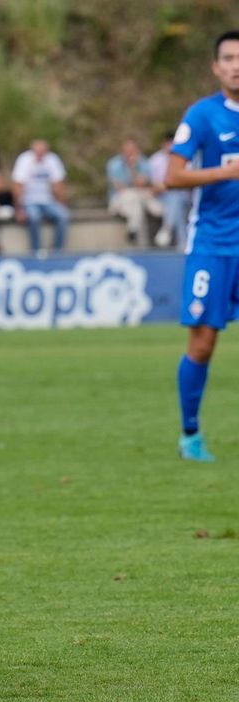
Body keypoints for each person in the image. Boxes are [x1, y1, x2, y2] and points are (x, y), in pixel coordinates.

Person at [167, 29, 239, 462]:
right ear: (216, 67)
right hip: (214, 245)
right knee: (203, 344)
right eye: (228, 57)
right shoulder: (202, 115)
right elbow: (172, 176)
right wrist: (225, 172)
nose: (236, 65)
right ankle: (190, 435)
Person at [11, 139, 70, 255]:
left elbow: (58, 184)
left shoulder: (52, 159)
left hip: (48, 200)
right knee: (34, 217)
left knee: (63, 216)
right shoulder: (24, 160)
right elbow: (17, 186)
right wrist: (18, 209)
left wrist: (62, 202)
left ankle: (57, 251)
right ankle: (36, 250)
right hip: (29, 200)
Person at [106, 137, 163, 245]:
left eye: (132, 150)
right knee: (134, 201)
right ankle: (134, 234)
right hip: (122, 200)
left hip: (141, 197)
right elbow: (120, 188)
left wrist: (133, 168)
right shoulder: (113, 165)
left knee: (155, 208)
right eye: (127, 150)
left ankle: (134, 231)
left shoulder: (143, 162)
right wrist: (131, 170)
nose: (129, 153)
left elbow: (143, 183)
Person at [148, 131, 190, 249]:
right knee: (175, 203)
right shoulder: (154, 161)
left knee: (175, 198)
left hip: (183, 196)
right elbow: (151, 185)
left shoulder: (185, 159)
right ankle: (182, 243)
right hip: (161, 197)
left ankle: (167, 228)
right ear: (164, 144)